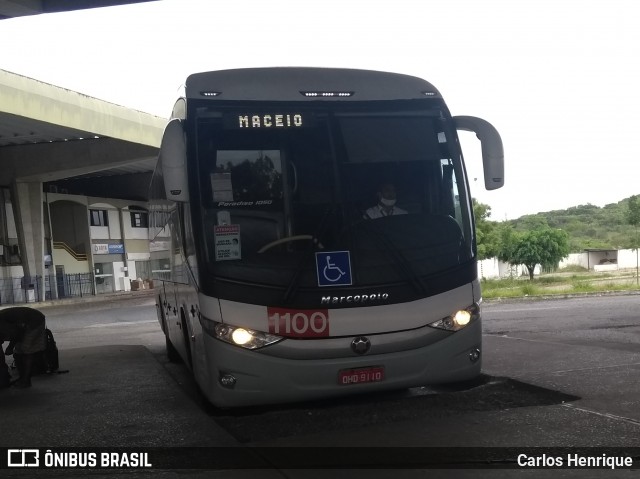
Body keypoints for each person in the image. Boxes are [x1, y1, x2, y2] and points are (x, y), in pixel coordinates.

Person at [0, 306, 47, 388]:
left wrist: (10, 347)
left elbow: (16, 334)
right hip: (23, 324)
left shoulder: (2, 322)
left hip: (34, 322)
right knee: (18, 352)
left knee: (27, 351)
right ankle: (22, 378)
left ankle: (26, 381)